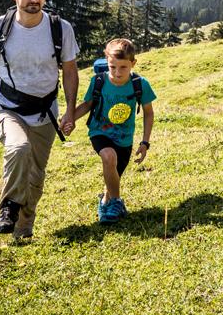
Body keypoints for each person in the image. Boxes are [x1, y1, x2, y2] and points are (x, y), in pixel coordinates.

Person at [0, 0, 80, 239]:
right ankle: (9, 206)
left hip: (45, 112)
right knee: (19, 147)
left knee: (36, 177)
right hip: (8, 107)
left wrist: (71, 110)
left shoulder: (60, 28)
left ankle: (23, 229)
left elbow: (70, 70)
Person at [61, 38, 156, 224]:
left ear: (133, 64)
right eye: (113, 67)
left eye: (123, 68)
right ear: (107, 61)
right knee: (108, 157)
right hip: (100, 132)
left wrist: (145, 142)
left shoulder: (140, 84)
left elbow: (149, 114)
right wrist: (70, 119)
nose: (117, 73)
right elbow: (87, 104)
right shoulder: (98, 81)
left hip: (124, 139)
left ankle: (106, 203)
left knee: (113, 176)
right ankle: (117, 202)